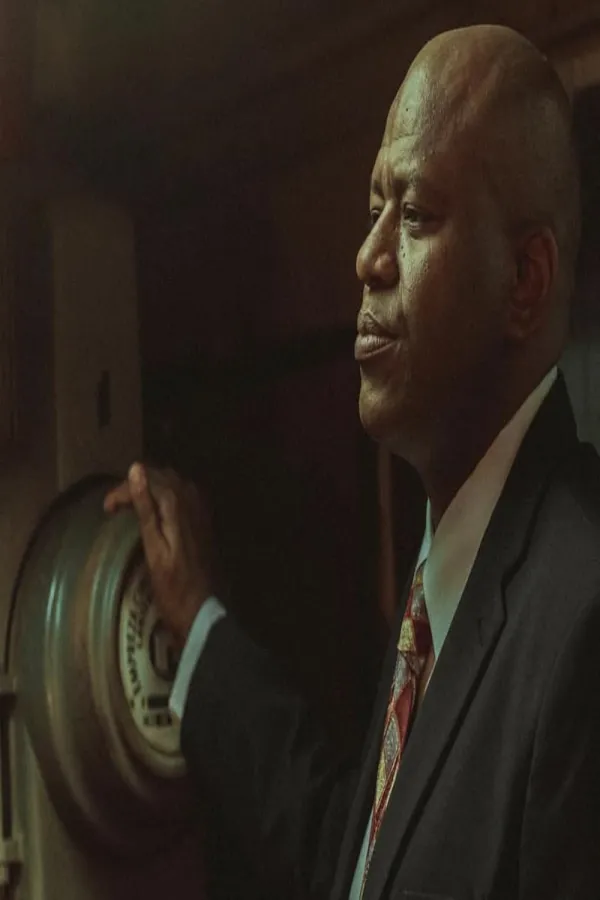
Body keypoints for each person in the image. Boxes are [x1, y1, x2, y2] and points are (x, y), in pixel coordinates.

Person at [105, 23, 600, 900]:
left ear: (525, 280)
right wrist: (200, 625)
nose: (367, 256)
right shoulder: (446, 572)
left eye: (415, 215)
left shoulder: (583, 609)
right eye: (376, 208)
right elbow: (358, 861)